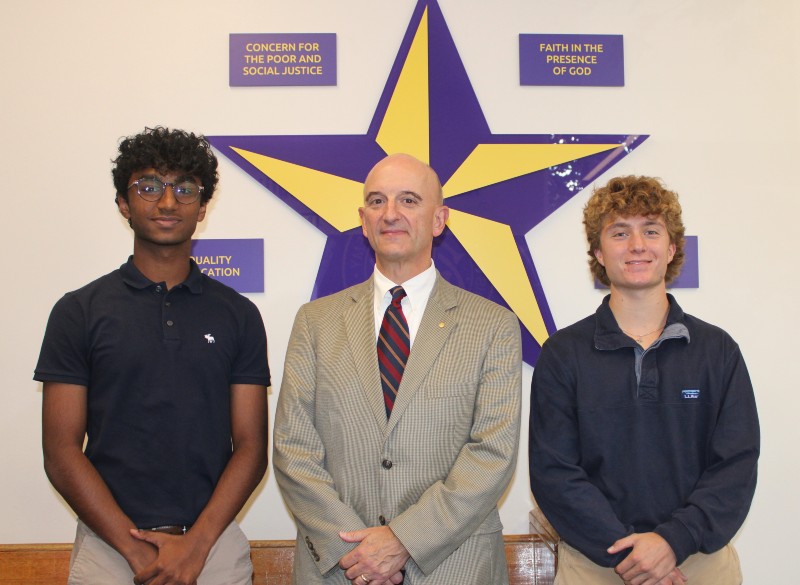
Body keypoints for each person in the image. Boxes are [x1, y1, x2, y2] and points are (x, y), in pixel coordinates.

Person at [35, 127, 270, 585]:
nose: (167, 203)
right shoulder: (78, 311)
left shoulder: (238, 314)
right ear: (124, 203)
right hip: (109, 550)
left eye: (184, 189)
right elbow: (61, 451)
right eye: (149, 186)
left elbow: (251, 447)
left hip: (213, 548)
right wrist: (133, 550)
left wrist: (196, 547)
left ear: (203, 208)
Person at [272, 153, 522, 585]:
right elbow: (293, 449)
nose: (391, 214)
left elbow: (492, 454)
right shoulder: (315, 322)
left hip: (455, 568)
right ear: (363, 220)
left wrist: (404, 540)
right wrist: (358, 553)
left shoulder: (493, 325)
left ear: (439, 219)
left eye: (409, 200)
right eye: (377, 201)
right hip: (340, 569)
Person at [529, 175, 759, 585]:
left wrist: (672, 542)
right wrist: (631, 552)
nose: (637, 245)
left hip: (698, 563)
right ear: (599, 252)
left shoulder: (717, 350)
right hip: (595, 564)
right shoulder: (563, 354)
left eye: (650, 231)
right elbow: (554, 472)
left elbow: (735, 468)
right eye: (620, 232)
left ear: (670, 248)